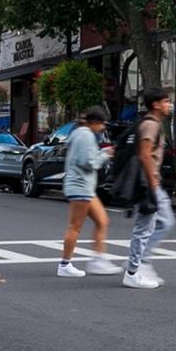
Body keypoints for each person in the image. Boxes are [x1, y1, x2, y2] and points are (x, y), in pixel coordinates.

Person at [56, 106, 121, 278]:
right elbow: (89, 162)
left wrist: (102, 152)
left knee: (102, 221)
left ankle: (98, 260)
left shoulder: (79, 133)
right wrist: (105, 154)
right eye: (102, 124)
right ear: (95, 122)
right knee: (75, 227)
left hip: (82, 186)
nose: (103, 128)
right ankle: (65, 264)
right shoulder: (85, 135)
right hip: (80, 186)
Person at [122, 88, 175, 289]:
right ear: (156, 104)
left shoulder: (153, 124)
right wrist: (153, 182)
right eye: (166, 101)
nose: (169, 104)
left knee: (162, 223)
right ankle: (134, 270)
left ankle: (139, 263)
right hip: (147, 182)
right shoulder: (150, 126)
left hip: (150, 182)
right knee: (145, 227)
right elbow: (145, 155)